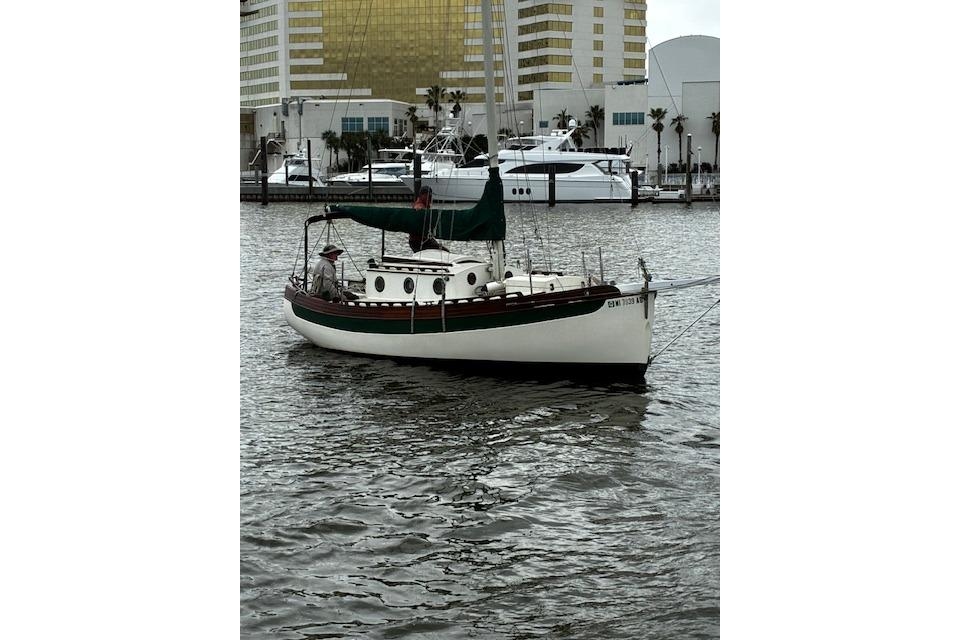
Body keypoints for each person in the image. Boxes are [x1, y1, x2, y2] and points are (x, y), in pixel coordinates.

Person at [409, 186, 448, 252]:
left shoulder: (426, 205)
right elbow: (418, 208)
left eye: (430, 196)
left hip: (426, 239)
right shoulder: (419, 205)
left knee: (444, 250)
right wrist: (421, 211)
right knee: (442, 250)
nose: (430, 197)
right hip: (418, 241)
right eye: (428, 196)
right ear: (422, 195)